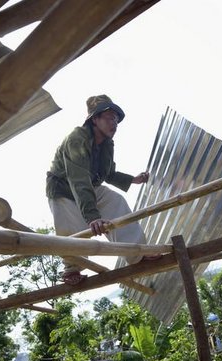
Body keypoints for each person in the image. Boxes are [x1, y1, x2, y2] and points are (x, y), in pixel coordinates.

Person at [46, 94, 158, 285]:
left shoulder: (107, 144)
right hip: (64, 189)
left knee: (116, 202)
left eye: (116, 119)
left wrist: (133, 180)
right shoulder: (77, 139)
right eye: (108, 117)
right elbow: (79, 179)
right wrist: (93, 217)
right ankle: (72, 269)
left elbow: (108, 173)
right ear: (94, 119)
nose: (114, 122)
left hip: (89, 187)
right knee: (72, 230)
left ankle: (137, 253)